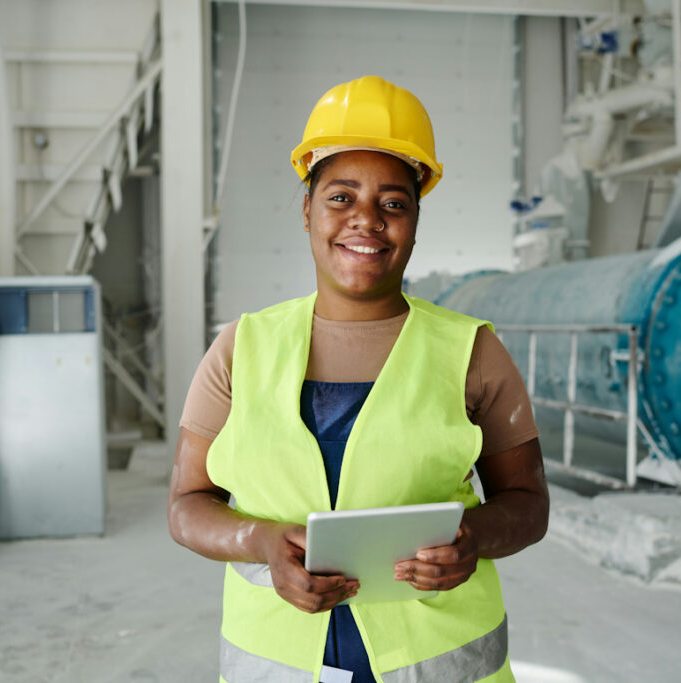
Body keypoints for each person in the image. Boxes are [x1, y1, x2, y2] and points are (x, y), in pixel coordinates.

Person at [168, 75, 549, 683]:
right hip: (278, 660)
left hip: (443, 664)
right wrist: (261, 541)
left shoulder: (472, 351)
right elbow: (187, 505)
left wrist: (471, 536)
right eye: (340, 197)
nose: (366, 220)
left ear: (415, 221)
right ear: (307, 210)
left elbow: (528, 504)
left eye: (393, 202)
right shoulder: (241, 349)